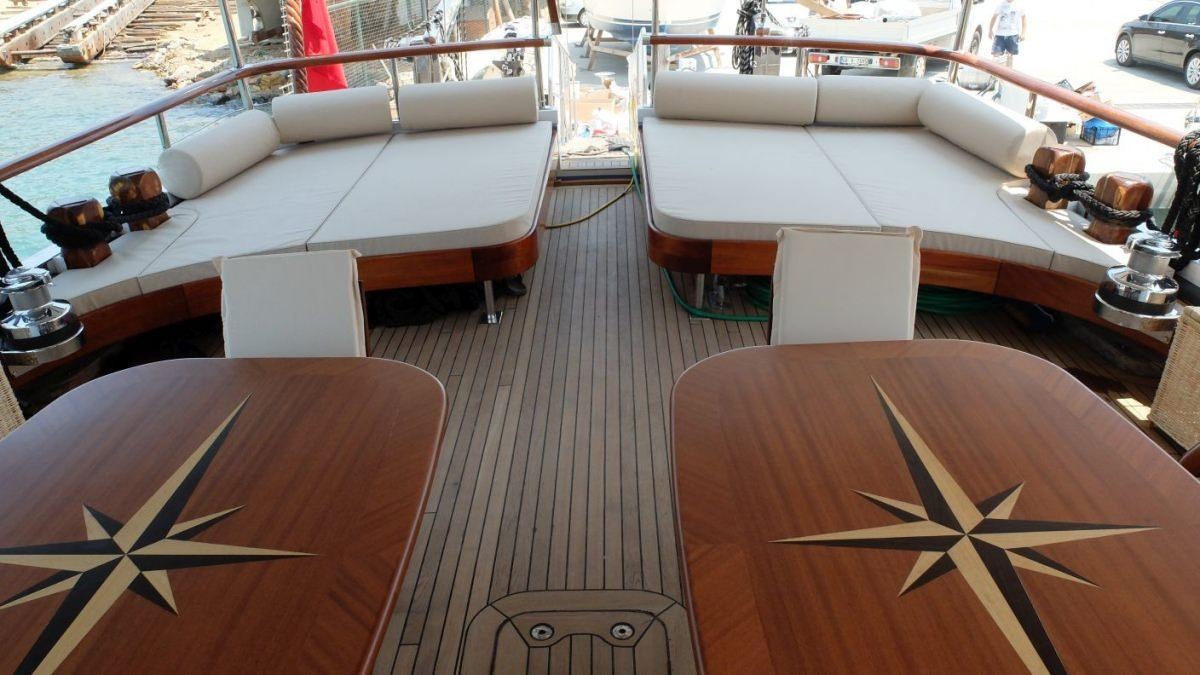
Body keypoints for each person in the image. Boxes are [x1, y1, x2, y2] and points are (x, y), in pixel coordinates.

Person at [989, 0, 1026, 68]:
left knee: (1010, 56)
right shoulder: (1000, 5)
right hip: (999, 34)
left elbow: (1024, 18)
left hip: (1013, 35)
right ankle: (994, 75)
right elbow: (994, 17)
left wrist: (1023, 33)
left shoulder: (1019, 5)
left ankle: (1008, 74)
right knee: (996, 56)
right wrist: (990, 30)